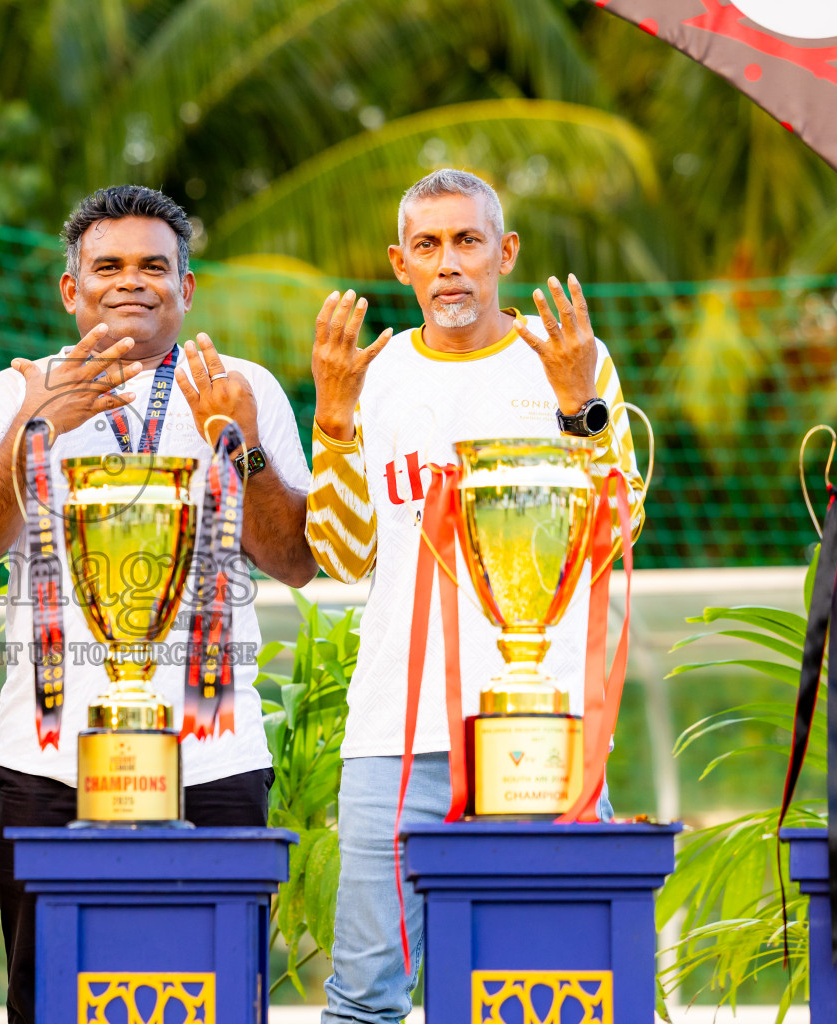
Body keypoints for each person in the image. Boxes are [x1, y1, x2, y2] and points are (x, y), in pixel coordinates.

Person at [0, 184, 317, 1024]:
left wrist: (240, 443)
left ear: (187, 288)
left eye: (155, 266)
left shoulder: (242, 386)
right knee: (53, 993)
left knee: (215, 994)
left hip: (213, 750)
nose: (130, 282)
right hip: (53, 754)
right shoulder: (16, 389)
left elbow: (294, 561)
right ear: (71, 291)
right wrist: (33, 429)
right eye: (107, 266)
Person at [305, 168, 645, 1024]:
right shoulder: (370, 377)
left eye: (467, 241)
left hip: (544, 723)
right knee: (366, 993)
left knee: (557, 984)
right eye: (428, 246)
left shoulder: (567, 360)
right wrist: (334, 424)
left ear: (506, 252)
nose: (449, 264)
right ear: (400, 263)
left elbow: (622, 526)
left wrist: (580, 406)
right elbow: (340, 558)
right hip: (395, 728)